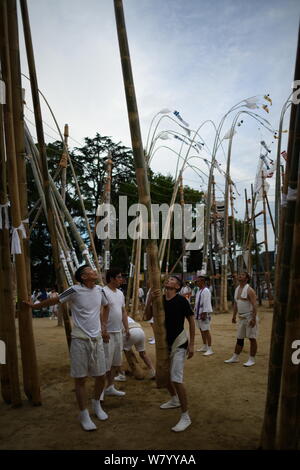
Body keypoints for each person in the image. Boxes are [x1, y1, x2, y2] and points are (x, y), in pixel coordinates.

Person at [24, 265, 109, 431]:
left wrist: (104, 327)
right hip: (79, 339)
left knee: (101, 376)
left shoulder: (100, 290)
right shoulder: (74, 290)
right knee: (80, 378)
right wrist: (34, 306)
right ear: (84, 277)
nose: (95, 272)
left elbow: (106, 306)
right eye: (91, 271)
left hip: (97, 339)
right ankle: (83, 413)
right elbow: (55, 300)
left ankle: (97, 404)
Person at [145, 276, 195, 433]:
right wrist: (150, 301)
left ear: (178, 285)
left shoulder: (182, 301)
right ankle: (174, 399)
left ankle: (186, 416)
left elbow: (191, 321)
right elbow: (146, 317)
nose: (168, 280)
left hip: (179, 342)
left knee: (176, 378)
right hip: (164, 344)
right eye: (168, 279)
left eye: (173, 279)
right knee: (163, 375)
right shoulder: (158, 299)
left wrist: (192, 343)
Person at [101, 268, 129, 398]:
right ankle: (100, 391)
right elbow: (100, 312)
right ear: (111, 278)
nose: (121, 279)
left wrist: (127, 328)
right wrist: (103, 329)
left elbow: (123, 311)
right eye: (118, 277)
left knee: (115, 363)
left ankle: (110, 386)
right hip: (107, 333)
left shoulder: (120, 293)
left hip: (118, 332)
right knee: (104, 363)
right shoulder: (103, 292)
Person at [224, 272, 258, 367]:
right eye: (240, 274)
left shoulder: (250, 290)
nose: (240, 276)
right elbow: (236, 304)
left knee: (252, 338)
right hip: (241, 317)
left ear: (247, 278)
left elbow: (254, 305)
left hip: (249, 317)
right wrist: (234, 316)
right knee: (239, 338)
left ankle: (252, 359)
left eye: (242, 275)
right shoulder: (237, 289)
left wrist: (254, 319)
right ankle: (235, 357)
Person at [117, 316, 156, 380]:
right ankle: (152, 370)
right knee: (143, 353)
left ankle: (121, 373)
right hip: (140, 330)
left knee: (122, 351)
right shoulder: (125, 315)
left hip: (130, 331)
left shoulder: (113, 316)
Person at [194, 274, 214, 356]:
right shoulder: (199, 291)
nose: (197, 282)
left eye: (198, 281)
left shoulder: (206, 291)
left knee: (206, 330)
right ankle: (205, 346)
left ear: (202, 281)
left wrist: (205, 313)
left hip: (203, 313)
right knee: (202, 330)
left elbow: (207, 303)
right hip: (198, 312)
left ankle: (210, 348)